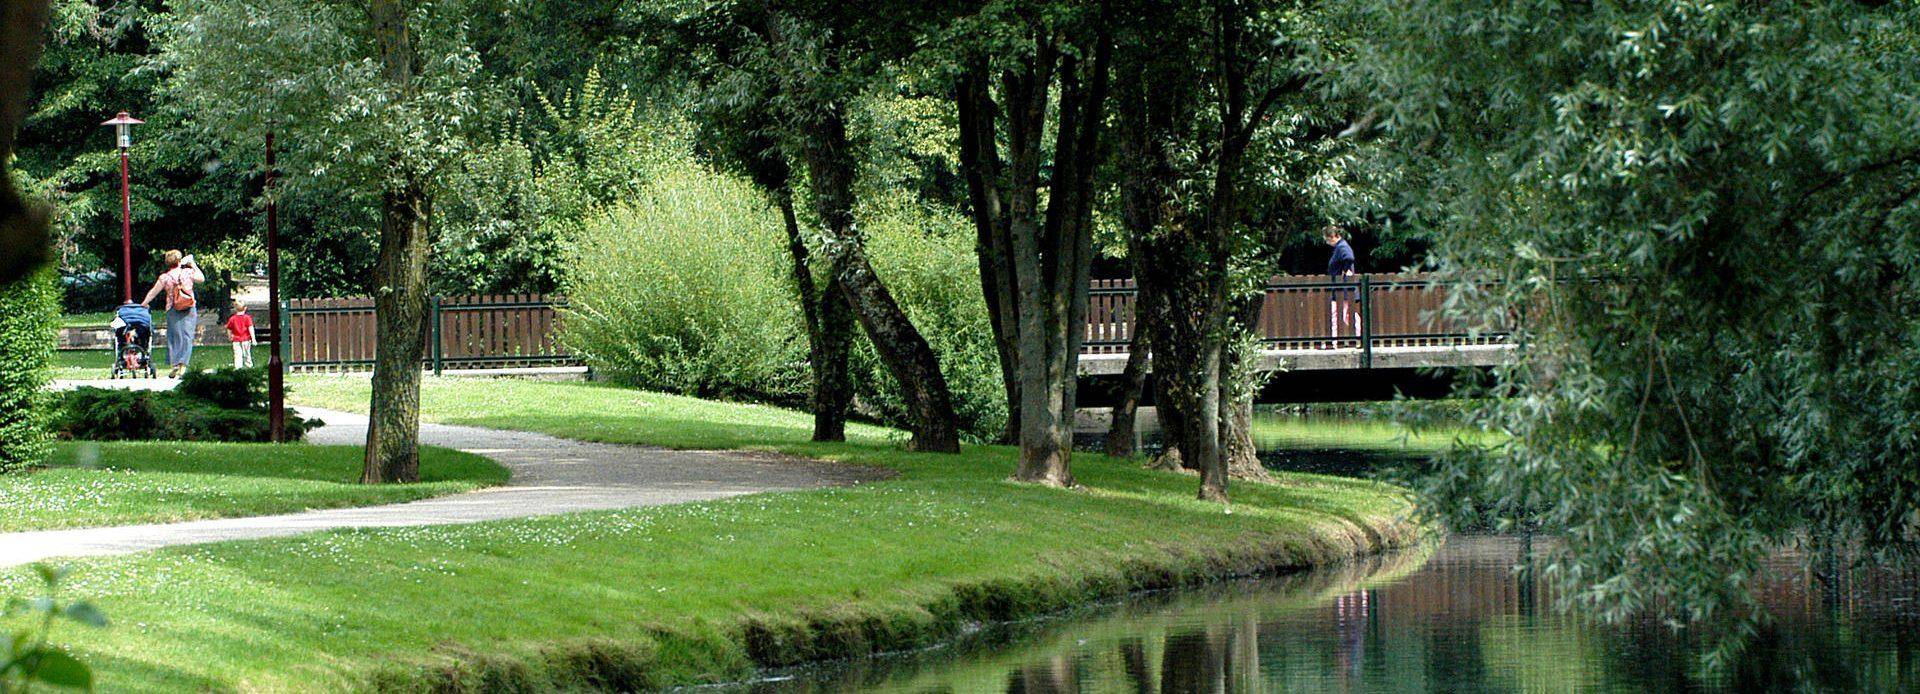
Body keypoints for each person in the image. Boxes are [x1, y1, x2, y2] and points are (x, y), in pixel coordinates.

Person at [141, 249, 204, 378]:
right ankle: (183, 366)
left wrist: (144, 303)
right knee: (187, 336)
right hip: (188, 307)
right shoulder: (187, 272)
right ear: (180, 261)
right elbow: (201, 279)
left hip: (172, 308)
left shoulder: (165, 277)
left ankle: (175, 364)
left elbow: (154, 291)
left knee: (174, 337)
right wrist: (193, 264)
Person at [1324, 225, 1359, 344]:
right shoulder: (1340, 247)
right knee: (1347, 314)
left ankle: (1334, 341)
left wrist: (1346, 270)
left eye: (1328, 239)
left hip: (1342, 288)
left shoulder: (1342, 247)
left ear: (1334, 236)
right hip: (1342, 288)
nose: (1327, 242)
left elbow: (1349, 258)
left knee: (1336, 313)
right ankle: (1360, 337)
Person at [225, 300, 256, 369]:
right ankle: (249, 367)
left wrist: (230, 336)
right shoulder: (247, 318)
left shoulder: (232, 318)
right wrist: (253, 339)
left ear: (235, 308)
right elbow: (250, 328)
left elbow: (229, 328)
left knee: (237, 355)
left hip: (236, 340)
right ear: (245, 308)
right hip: (246, 339)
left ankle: (238, 368)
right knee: (247, 354)